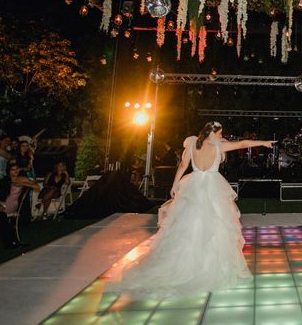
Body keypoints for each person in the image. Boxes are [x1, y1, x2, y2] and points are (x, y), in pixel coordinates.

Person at [107, 121, 275, 297]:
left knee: (189, 226)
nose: (220, 136)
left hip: (193, 185)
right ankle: (209, 268)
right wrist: (263, 143)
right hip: (212, 188)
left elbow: (182, 166)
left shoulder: (193, 145)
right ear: (211, 133)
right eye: (219, 133)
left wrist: (174, 186)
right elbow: (242, 144)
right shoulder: (218, 146)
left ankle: (188, 264)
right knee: (215, 225)